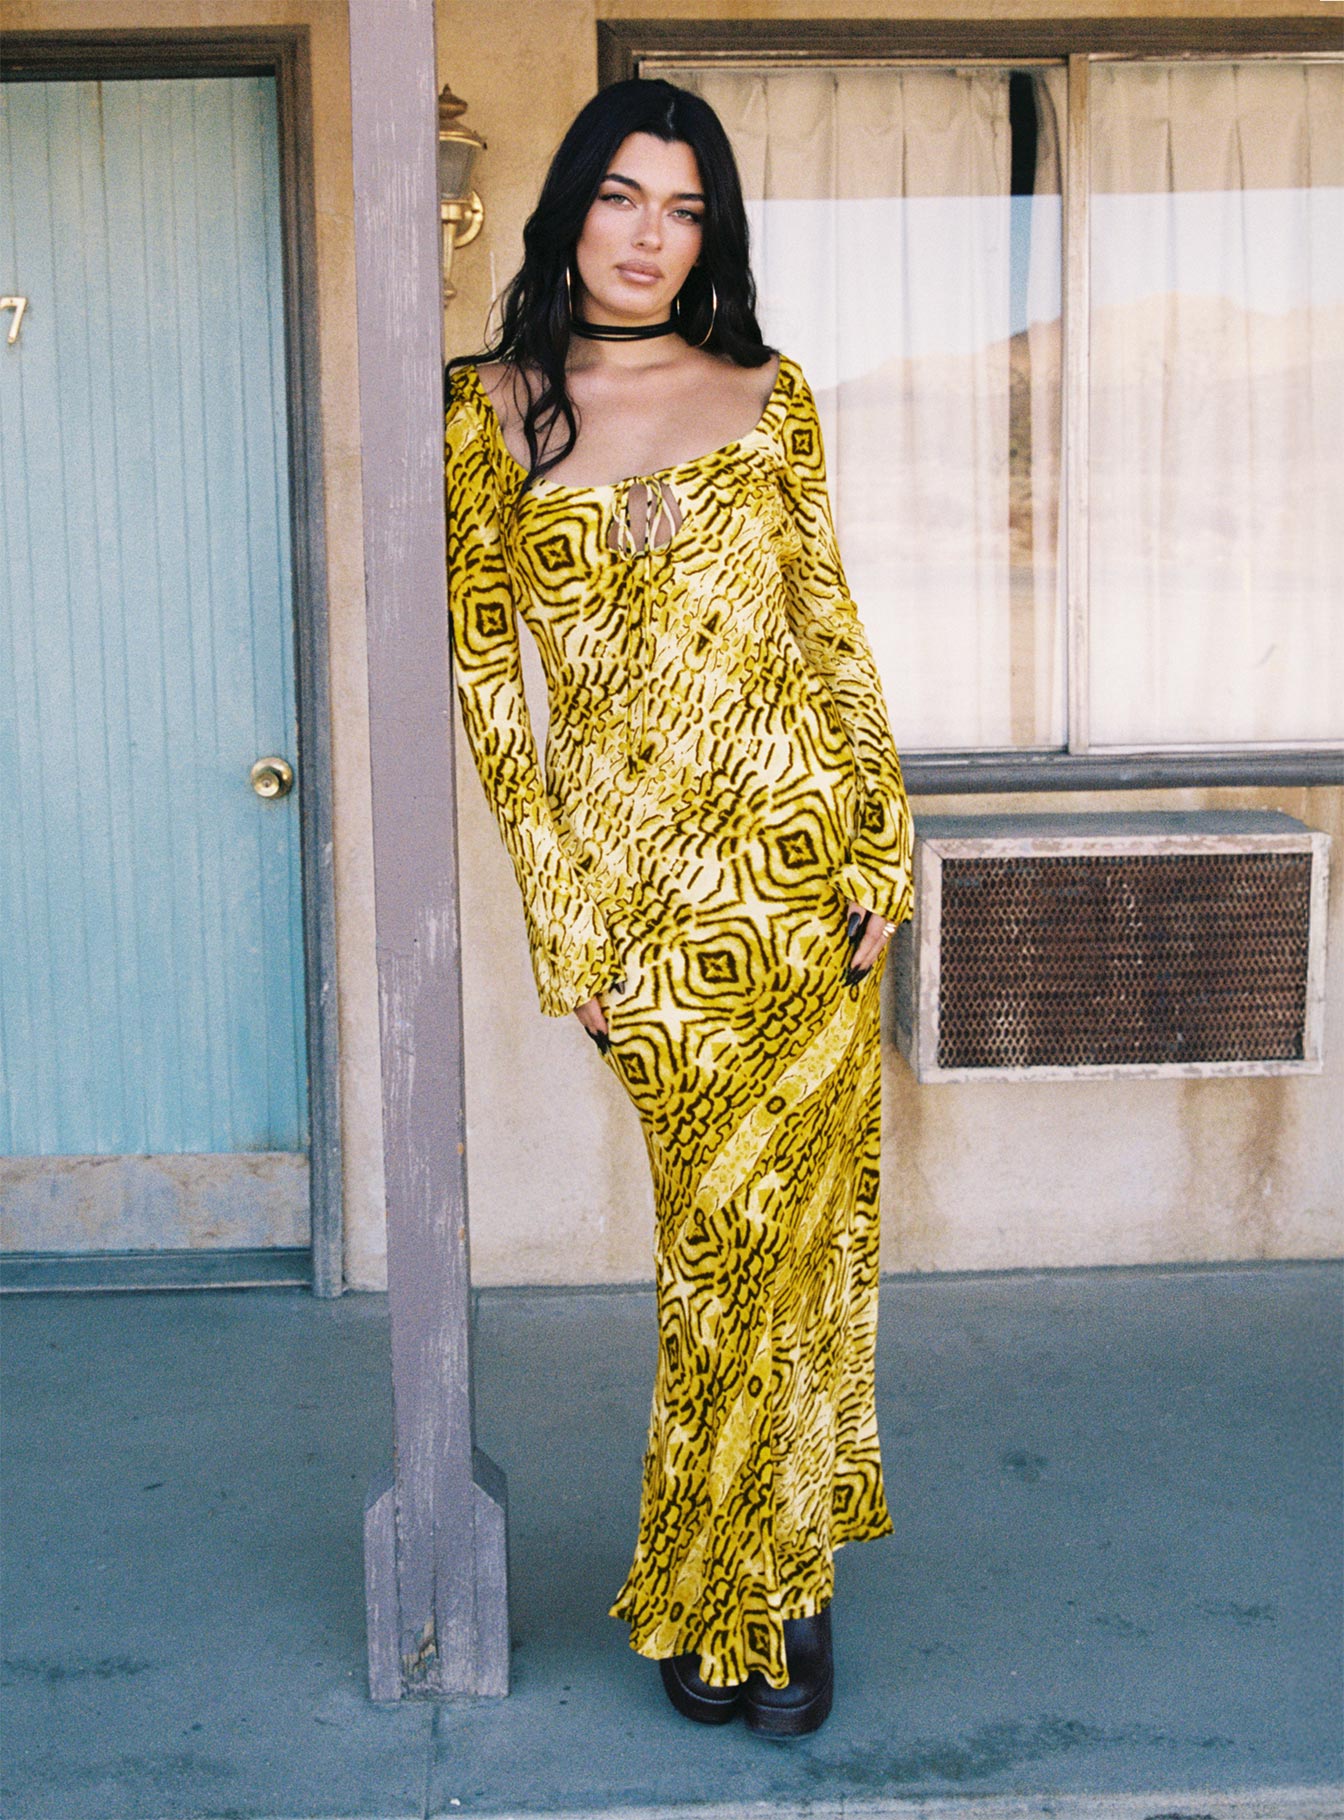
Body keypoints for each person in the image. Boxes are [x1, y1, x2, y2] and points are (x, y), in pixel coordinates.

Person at [444, 77, 914, 1739]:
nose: (651, 237)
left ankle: (768, 1596)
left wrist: (884, 837)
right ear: (571, 205)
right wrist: (563, 919)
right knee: (714, 1247)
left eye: (686, 208)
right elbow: (495, 691)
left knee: (792, 1256)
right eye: (625, 198)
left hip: (802, 888)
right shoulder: (486, 411)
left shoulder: (766, 397)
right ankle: (721, 1577)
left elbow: (828, 629)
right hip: (647, 919)